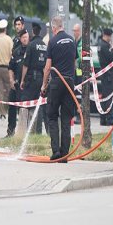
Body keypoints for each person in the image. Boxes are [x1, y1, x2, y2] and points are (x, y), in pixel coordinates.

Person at [41, 16, 76, 163]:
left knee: (52, 116)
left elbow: (48, 67)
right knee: (67, 119)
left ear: (54, 28)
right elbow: (74, 62)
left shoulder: (53, 41)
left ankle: (56, 151)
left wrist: (44, 86)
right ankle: (65, 155)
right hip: (69, 83)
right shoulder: (72, 41)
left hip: (56, 83)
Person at [21, 22, 48, 134]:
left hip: (31, 78)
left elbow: (26, 65)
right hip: (41, 78)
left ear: (33, 31)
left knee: (27, 103)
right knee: (40, 104)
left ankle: (27, 131)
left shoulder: (31, 45)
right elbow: (46, 65)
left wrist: (22, 80)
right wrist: (44, 82)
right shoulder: (44, 46)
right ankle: (38, 131)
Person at [6, 29, 29, 137]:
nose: (25, 39)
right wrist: (11, 80)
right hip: (16, 84)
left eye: (27, 37)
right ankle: (10, 132)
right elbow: (10, 67)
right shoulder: (16, 51)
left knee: (24, 109)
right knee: (11, 107)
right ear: (20, 39)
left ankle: (23, 134)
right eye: (23, 37)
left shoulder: (30, 50)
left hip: (25, 86)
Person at [98, 28, 113, 126]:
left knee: (104, 97)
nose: (111, 38)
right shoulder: (105, 46)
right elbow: (111, 57)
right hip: (108, 75)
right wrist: (112, 49)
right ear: (107, 35)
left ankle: (103, 119)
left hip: (103, 74)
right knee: (109, 97)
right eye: (110, 36)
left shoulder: (100, 44)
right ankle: (109, 120)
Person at [73, 23, 82, 125]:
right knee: (75, 93)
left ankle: (80, 116)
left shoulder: (81, 42)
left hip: (80, 71)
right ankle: (76, 113)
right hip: (75, 71)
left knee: (80, 94)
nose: (74, 32)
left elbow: (80, 57)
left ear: (79, 31)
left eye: (75, 31)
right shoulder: (75, 41)